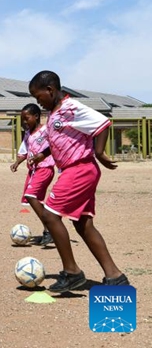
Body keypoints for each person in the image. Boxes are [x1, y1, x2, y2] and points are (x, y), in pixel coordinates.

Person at [28, 71, 128, 292]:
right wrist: (43, 155)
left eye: (39, 97)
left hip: (79, 169)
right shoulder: (55, 112)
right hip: (75, 170)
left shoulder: (70, 107)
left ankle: (72, 272)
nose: (38, 102)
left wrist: (100, 152)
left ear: (50, 90)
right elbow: (58, 140)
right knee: (83, 223)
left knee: (49, 215)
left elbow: (102, 123)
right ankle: (115, 275)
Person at [10, 103, 54, 246]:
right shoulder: (28, 134)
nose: (24, 122)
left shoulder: (46, 131)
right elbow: (25, 151)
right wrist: (18, 162)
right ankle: (49, 229)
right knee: (36, 201)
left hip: (45, 168)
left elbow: (54, 145)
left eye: (26, 118)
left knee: (31, 195)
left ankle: (51, 229)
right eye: (22, 119)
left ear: (36, 117)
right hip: (33, 171)